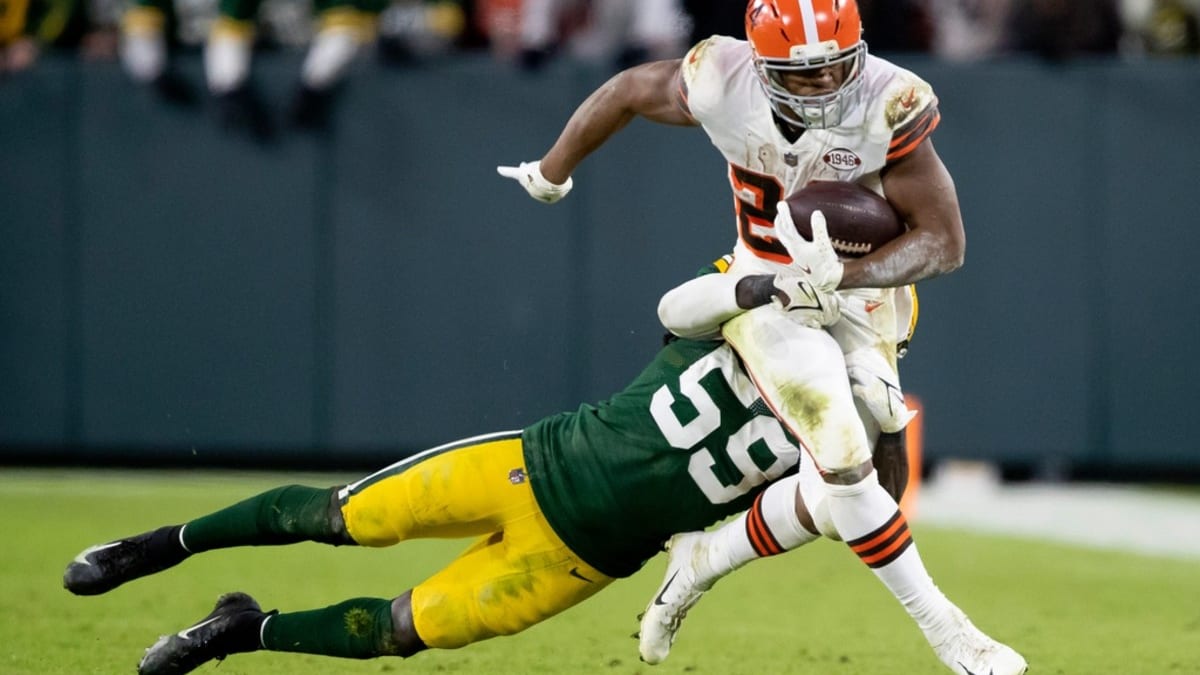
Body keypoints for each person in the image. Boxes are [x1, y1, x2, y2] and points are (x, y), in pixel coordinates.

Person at [498, 1, 1026, 672]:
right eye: (801, 76)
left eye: (834, 68)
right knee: (842, 456)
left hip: (863, 292)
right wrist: (552, 169)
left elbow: (945, 243)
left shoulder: (890, 100)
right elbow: (629, 89)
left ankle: (702, 559)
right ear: (761, 64)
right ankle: (952, 633)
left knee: (861, 501)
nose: (822, 87)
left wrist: (850, 273)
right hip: (766, 282)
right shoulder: (722, 77)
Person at [62, 302, 848, 675]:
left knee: (405, 628)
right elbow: (678, 311)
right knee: (349, 517)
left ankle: (237, 631)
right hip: (533, 465)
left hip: (582, 560)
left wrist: (865, 424)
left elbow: (857, 498)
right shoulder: (755, 307)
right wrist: (760, 285)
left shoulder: (843, 426)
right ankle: (155, 547)